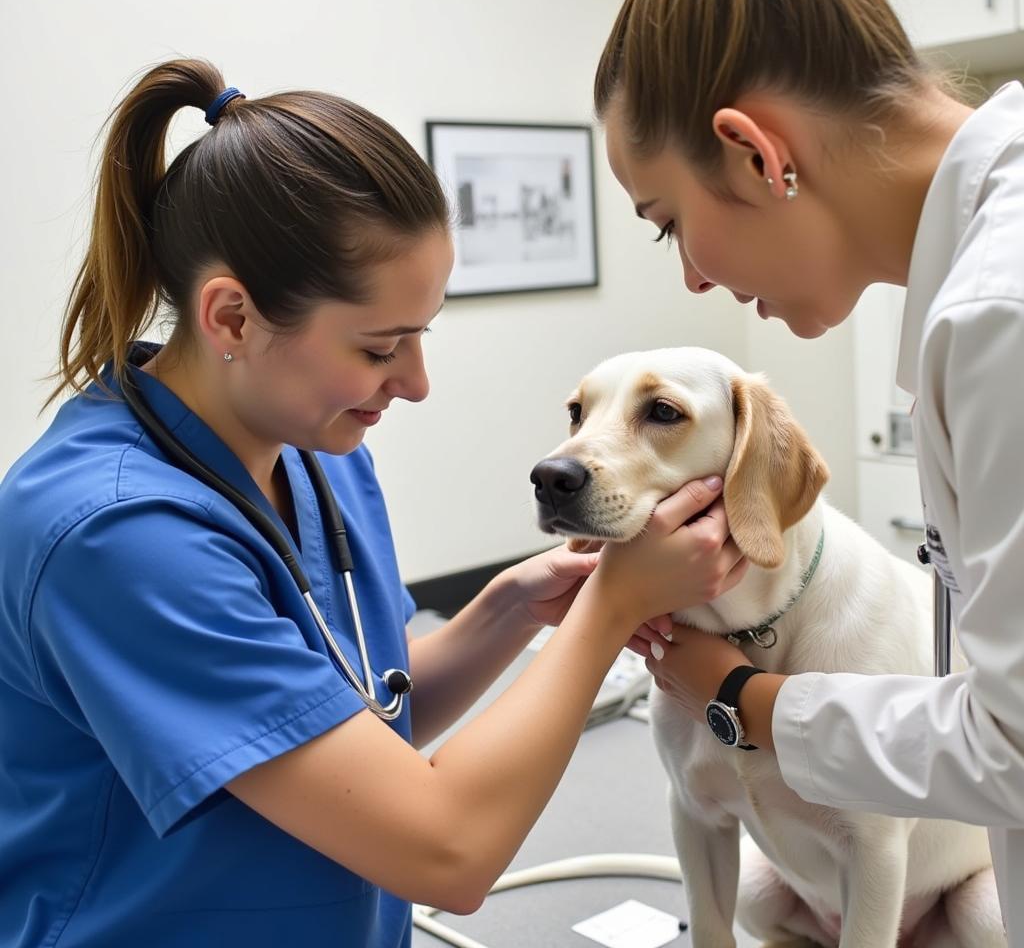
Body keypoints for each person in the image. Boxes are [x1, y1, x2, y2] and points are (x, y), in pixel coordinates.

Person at [0, 58, 750, 948]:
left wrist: (510, 607)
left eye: (420, 335)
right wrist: (613, 604)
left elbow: (359, 713)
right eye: (380, 346)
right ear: (232, 319)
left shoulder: (316, 452)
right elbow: (448, 852)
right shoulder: (118, 537)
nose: (416, 383)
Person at [595, 0, 1024, 940]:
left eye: (665, 221)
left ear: (753, 152)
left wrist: (743, 699)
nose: (692, 276)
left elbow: (1013, 742)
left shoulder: (1000, 313)